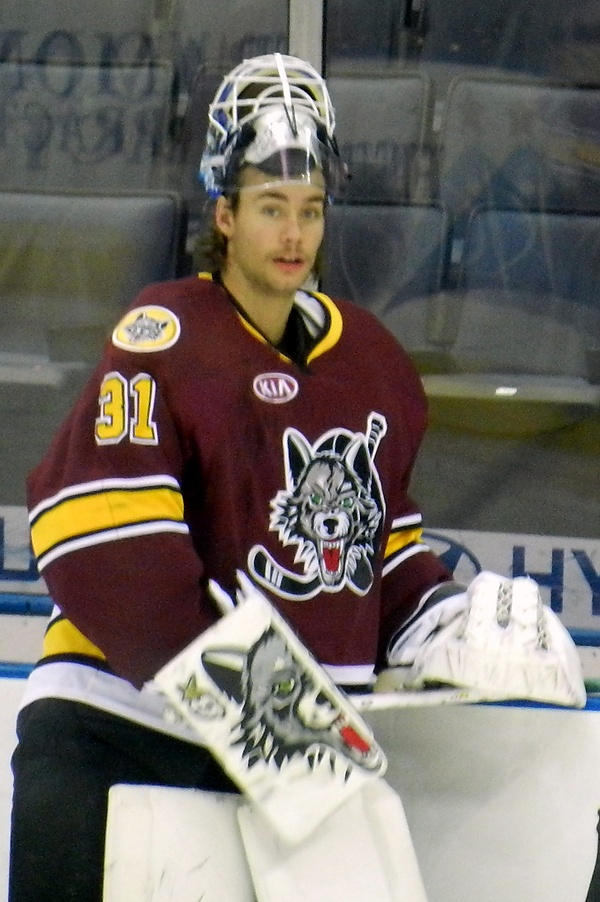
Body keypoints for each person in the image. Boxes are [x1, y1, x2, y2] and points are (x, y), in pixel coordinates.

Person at [8, 53, 583, 902]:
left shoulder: (372, 363)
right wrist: (263, 706)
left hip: (286, 769)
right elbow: (101, 545)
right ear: (225, 215)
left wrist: (446, 622)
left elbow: (376, 556)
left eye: (311, 210)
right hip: (120, 729)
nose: (294, 236)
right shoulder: (162, 336)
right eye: (272, 208)